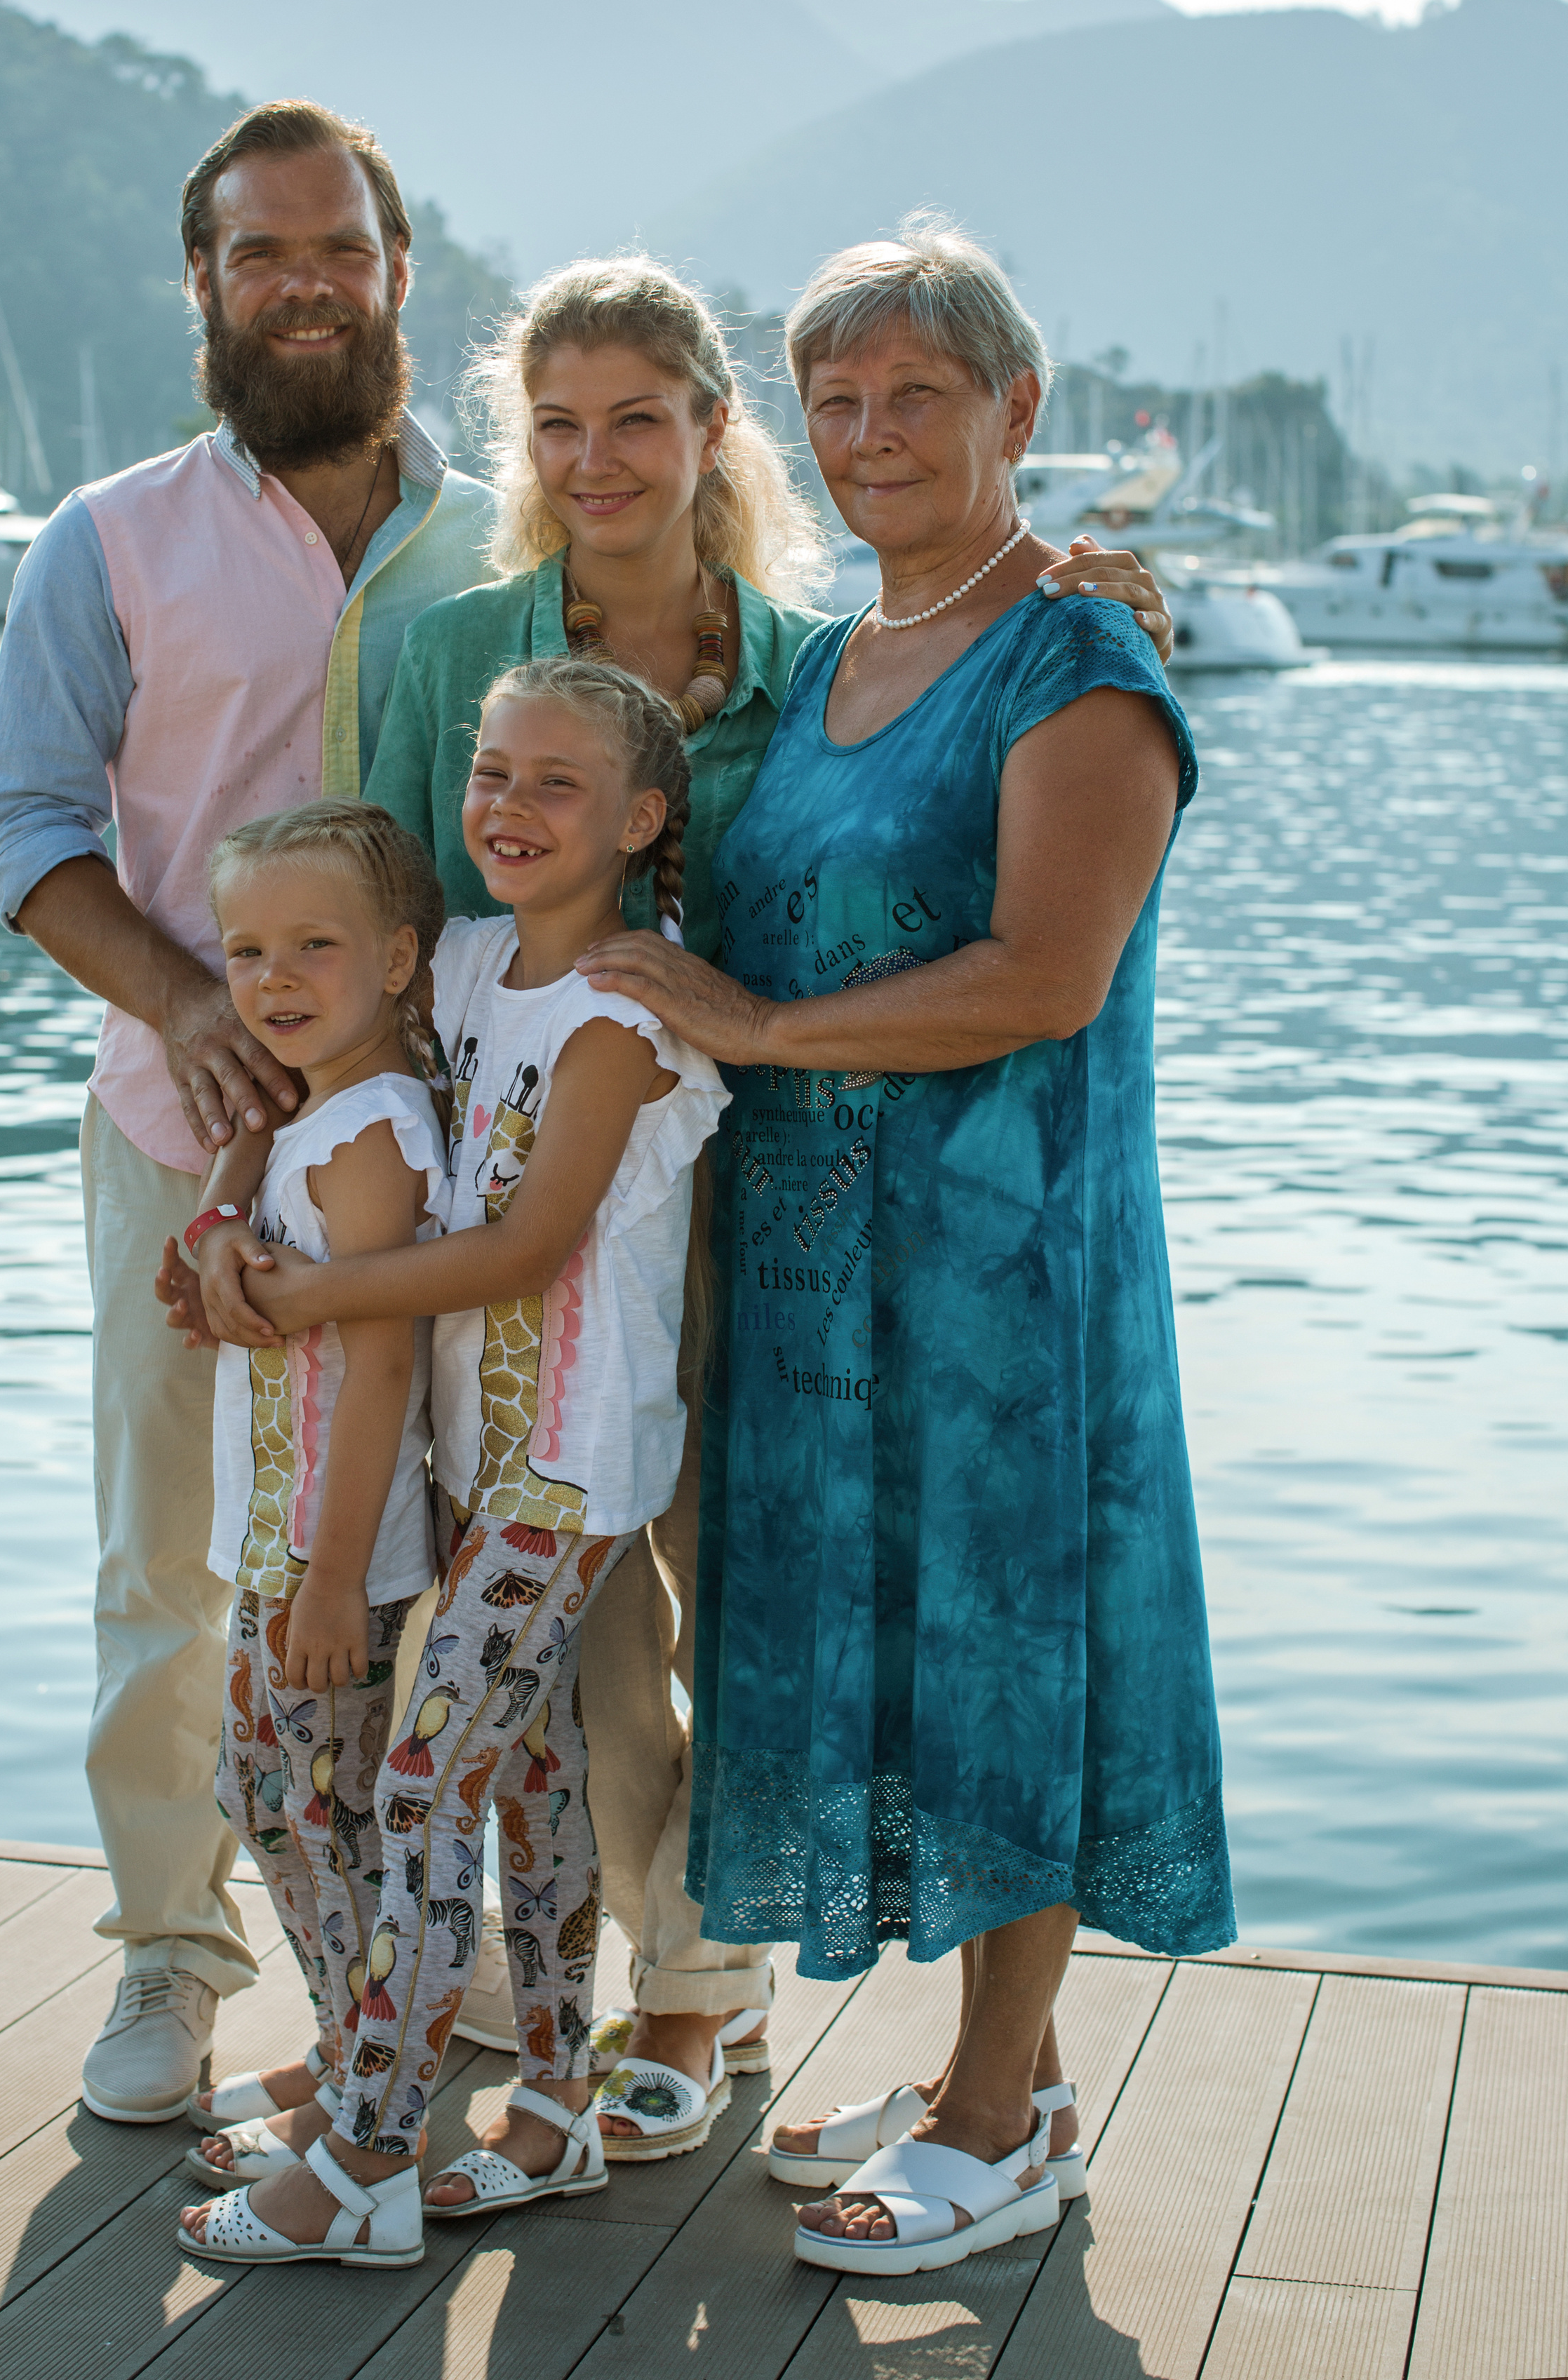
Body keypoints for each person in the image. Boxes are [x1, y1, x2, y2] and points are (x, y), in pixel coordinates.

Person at [362, 254, 1180, 2154]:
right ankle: (948, 2072)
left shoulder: (818, 659)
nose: (596, 457)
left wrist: (1083, 590)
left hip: (851, 1232)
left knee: (873, 1627)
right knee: (666, 1626)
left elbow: (1028, 945)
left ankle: (765, 2020)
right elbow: (409, 936)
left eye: (638, 416)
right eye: (558, 424)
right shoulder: (492, 656)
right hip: (599, 1236)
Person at [576, 222, 1235, 2275]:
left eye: (916, 398)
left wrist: (762, 1033)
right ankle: (995, 2077)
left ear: (1017, 412)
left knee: (1003, 1671)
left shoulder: (1079, 659)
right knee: (877, 1662)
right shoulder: (835, 655)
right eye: (837, 403)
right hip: (813, 1288)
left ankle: (1000, 2114)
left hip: (1003, 1285)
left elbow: (1043, 977)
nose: (869, 438)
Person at [0, 99, 496, 2125]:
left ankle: (447, 1965)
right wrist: (187, 997)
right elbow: (29, 830)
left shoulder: (504, 531)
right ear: (203, 288)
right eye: (261, 255)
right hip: (181, 1143)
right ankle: (173, 1968)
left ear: (395, 274)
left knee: (471, 1548)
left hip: (468, 1151)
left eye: (340, 251)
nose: (305, 286)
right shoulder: (102, 542)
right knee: (169, 1565)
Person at [169, 658, 728, 2265]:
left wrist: (307, 1296)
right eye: (493, 774)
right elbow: (297, 1068)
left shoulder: (627, 1005)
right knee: (528, 1775)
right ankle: (549, 2102)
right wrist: (221, 1207)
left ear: (636, 820)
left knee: (418, 1789)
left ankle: (362, 2156)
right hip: (483, 1462)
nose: (509, 806)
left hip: (566, 1471)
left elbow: (530, 1245)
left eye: (556, 783)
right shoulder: (468, 959)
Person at [169, 800, 449, 2189]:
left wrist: (337, 1576)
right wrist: (217, 1214)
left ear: (397, 963)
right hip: (284, 1547)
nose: (272, 982)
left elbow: (384, 1362)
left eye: (312, 948)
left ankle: (360, 2086)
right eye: (244, 952)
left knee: (308, 1809)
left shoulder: (369, 1139)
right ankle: (349, 2047)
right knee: (271, 1792)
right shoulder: (311, 1107)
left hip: (332, 1556)